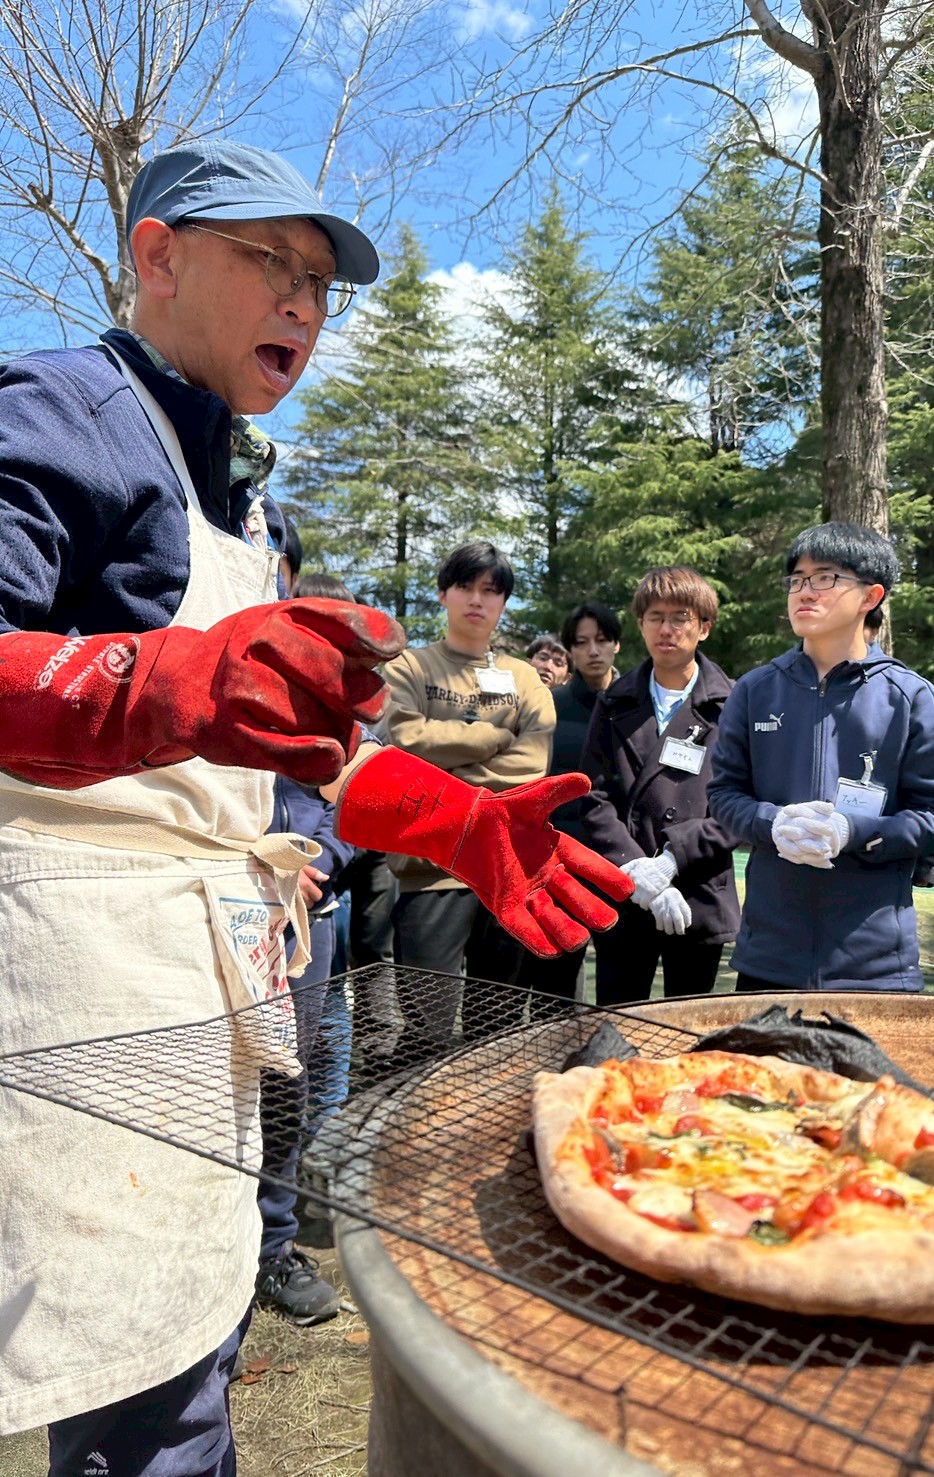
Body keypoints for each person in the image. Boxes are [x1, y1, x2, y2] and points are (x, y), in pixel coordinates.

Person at [0, 140, 630, 1473]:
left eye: (320, 281)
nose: (304, 301)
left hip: (218, 983)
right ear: (155, 254)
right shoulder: (49, 412)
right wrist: (155, 679)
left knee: (198, 1326)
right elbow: (139, 691)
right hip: (77, 989)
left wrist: (458, 822)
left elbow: (303, 765)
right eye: (267, 262)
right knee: (136, 1382)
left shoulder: (249, 503)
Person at [708, 522, 934, 992]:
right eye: (797, 579)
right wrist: (772, 823)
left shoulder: (911, 697)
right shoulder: (754, 691)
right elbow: (723, 794)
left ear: (871, 596)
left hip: (875, 963)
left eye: (825, 578)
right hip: (769, 956)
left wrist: (853, 831)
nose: (805, 591)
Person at [383, 541, 557, 1039]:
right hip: (429, 872)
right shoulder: (408, 669)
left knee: (497, 1028)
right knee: (424, 1031)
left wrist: (450, 779)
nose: (477, 600)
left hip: (505, 871)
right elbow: (405, 745)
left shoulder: (525, 679)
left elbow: (533, 765)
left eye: (490, 591)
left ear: (503, 603)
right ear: (443, 594)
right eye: (465, 587)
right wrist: (491, 736)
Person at [255, 571, 357, 1325]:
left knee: (290, 1081)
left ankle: (273, 1247)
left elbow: (350, 809)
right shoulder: (231, 686)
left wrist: (319, 860)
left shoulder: (338, 723)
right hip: (219, 906)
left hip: (306, 918)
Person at [580, 568, 741, 1006]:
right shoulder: (614, 701)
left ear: (704, 627)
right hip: (626, 886)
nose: (666, 629)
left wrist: (671, 862)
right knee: (617, 1020)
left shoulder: (734, 704)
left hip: (698, 890)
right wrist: (639, 872)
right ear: (640, 624)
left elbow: (740, 801)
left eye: (680, 617)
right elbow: (592, 795)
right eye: (655, 617)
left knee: (687, 1029)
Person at [520, 600, 623, 1010]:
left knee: (621, 984)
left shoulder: (636, 701)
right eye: (581, 643)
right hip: (560, 861)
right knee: (555, 987)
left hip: (623, 860)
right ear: (571, 650)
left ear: (617, 644)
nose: (592, 650)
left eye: (602, 640)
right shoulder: (551, 706)